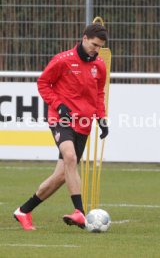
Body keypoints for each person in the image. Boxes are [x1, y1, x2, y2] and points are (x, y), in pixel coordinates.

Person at [13, 23, 109, 230]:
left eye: (100, 46)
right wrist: (59, 106)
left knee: (62, 175)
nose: (96, 49)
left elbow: (99, 94)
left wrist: (101, 118)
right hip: (61, 119)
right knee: (71, 157)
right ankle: (79, 212)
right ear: (84, 38)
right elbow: (43, 83)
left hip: (84, 123)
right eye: (94, 44)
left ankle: (23, 211)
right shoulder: (62, 60)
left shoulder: (99, 65)